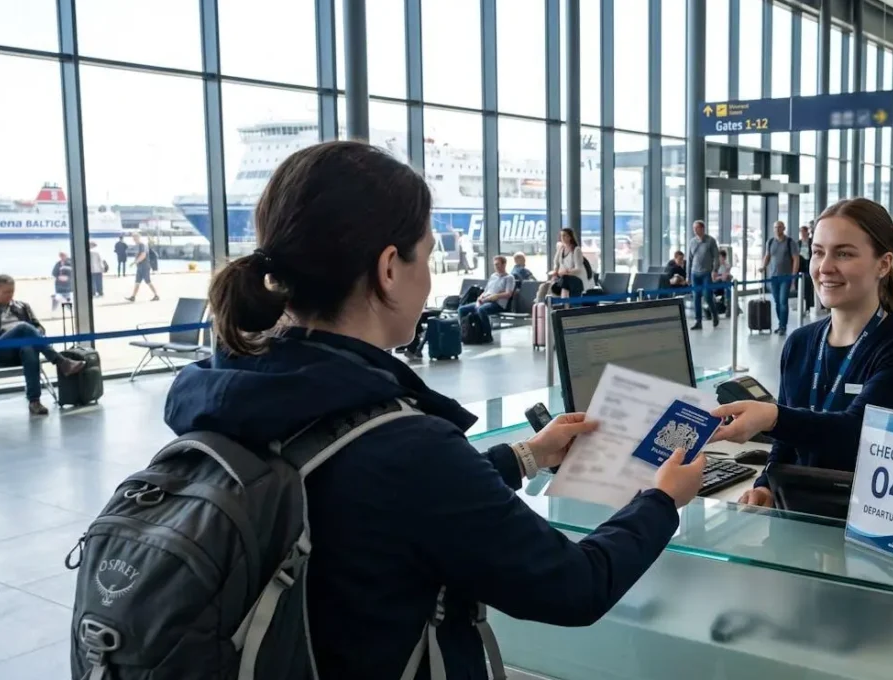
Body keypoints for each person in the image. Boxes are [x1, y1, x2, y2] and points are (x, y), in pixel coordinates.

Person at [173, 141, 706, 679]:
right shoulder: (403, 446)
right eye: (425, 256)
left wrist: (527, 455)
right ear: (388, 268)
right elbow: (574, 586)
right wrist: (661, 501)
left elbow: (376, 500)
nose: (428, 279)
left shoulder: (232, 396)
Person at [709, 198, 893, 506]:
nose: (825, 267)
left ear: (883, 264)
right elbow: (784, 444)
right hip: (798, 521)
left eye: (843, 253)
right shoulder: (801, 343)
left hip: (866, 525)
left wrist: (773, 416)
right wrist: (765, 485)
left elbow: (858, 435)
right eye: (818, 252)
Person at [0, 274, 85, 416]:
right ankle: (61, 362)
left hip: (20, 350)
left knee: (29, 349)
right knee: (23, 327)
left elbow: (39, 329)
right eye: (6, 292)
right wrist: (4, 331)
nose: (10, 295)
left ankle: (34, 402)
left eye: (12, 291)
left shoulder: (23, 307)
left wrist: (31, 332)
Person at [458, 255, 515, 333]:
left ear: (504, 264)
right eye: (495, 264)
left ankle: (487, 334)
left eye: (498, 264)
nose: (496, 266)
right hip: (485, 301)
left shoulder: (509, 278)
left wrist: (496, 296)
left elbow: (508, 294)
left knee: (481, 309)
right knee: (462, 309)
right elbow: (486, 290)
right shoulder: (493, 276)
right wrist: (480, 297)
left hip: (497, 304)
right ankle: (464, 332)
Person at [761, 221, 800, 335]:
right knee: (777, 302)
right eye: (775, 227)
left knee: (783, 301)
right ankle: (780, 323)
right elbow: (767, 256)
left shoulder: (789, 242)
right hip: (773, 277)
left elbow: (796, 259)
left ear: (784, 228)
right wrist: (763, 266)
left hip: (786, 277)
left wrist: (793, 275)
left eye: (779, 227)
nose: (777, 229)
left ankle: (783, 325)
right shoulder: (770, 242)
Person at [687, 220, 719, 329]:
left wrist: (715, 270)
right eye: (694, 228)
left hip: (706, 273)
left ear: (702, 228)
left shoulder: (710, 241)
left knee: (707, 296)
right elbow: (690, 259)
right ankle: (698, 321)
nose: (695, 231)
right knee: (696, 297)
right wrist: (688, 276)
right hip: (694, 273)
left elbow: (716, 257)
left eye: (697, 228)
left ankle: (714, 314)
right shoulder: (692, 242)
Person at [546, 227, 587, 299]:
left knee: (565, 281)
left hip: (574, 278)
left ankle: (564, 304)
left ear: (570, 237)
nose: (562, 237)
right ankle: (540, 306)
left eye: (565, 235)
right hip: (562, 277)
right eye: (561, 235)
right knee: (544, 286)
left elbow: (578, 269)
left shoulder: (576, 249)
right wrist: (556, 271)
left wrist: (566, 272)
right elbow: (556, 262)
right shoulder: (561, 248)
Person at [125, 234, 160, 302]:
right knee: (137, 282)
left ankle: (156, 295)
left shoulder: (142, 245)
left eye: (135, 237)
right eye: (133, 238)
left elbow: (143, 255)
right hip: (140, 267)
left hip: (144, 266)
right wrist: (136, 262)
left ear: (138, 237)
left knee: (148, 281)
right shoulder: (138, 245)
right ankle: (133, 297)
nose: (134, 239)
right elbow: (139, 255)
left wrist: (135, 262)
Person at [798, 223, 814, 310]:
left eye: (804, 232)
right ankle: (806, 305)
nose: (803, 233)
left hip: (810, 265)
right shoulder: (799, 243)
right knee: (803, 287)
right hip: (802, 267)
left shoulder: (811, 241)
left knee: (810, 287)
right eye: (801, 232)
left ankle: (810, 305)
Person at [712, 249, 733, 314]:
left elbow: (727, 275)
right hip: (716, 284)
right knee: (725, 283)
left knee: (728, 283)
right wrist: (721, 277)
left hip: (724, 284)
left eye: (723, 258)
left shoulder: (726, 266)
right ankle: (727, 306)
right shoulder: (714, 266)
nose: (722, 259)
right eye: (720, 257)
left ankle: (729, 306)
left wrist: (727, 271)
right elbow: (713, 279)